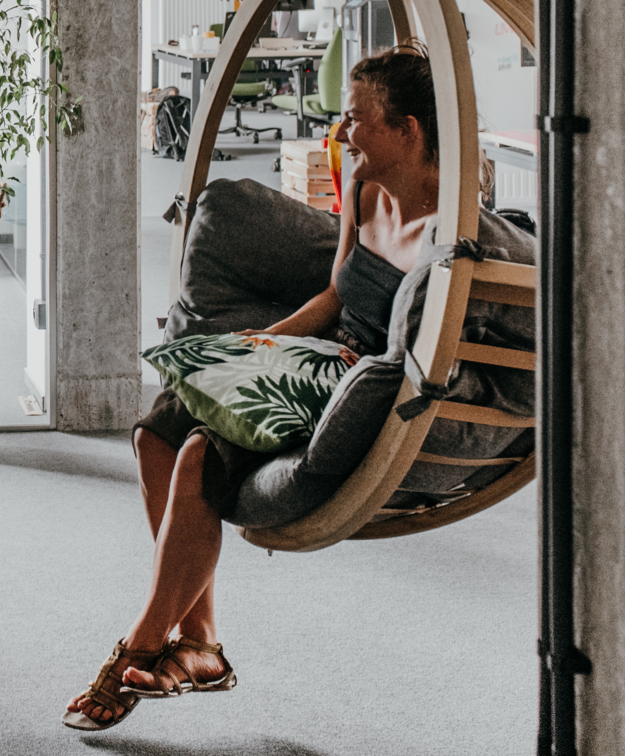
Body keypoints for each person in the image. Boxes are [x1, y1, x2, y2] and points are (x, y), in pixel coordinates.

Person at [64, 47, 441, 731]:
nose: (344, 133)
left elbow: (422, 347)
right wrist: (268, 340)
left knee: (201, 456)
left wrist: (342, 362)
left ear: (408, 130)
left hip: (359, 385)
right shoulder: (361, 188)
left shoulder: (450, 223)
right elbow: (334, 293)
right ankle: (202, 642)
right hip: (315, 356)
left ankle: (141, 643)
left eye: (358, 120)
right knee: (155, 434)